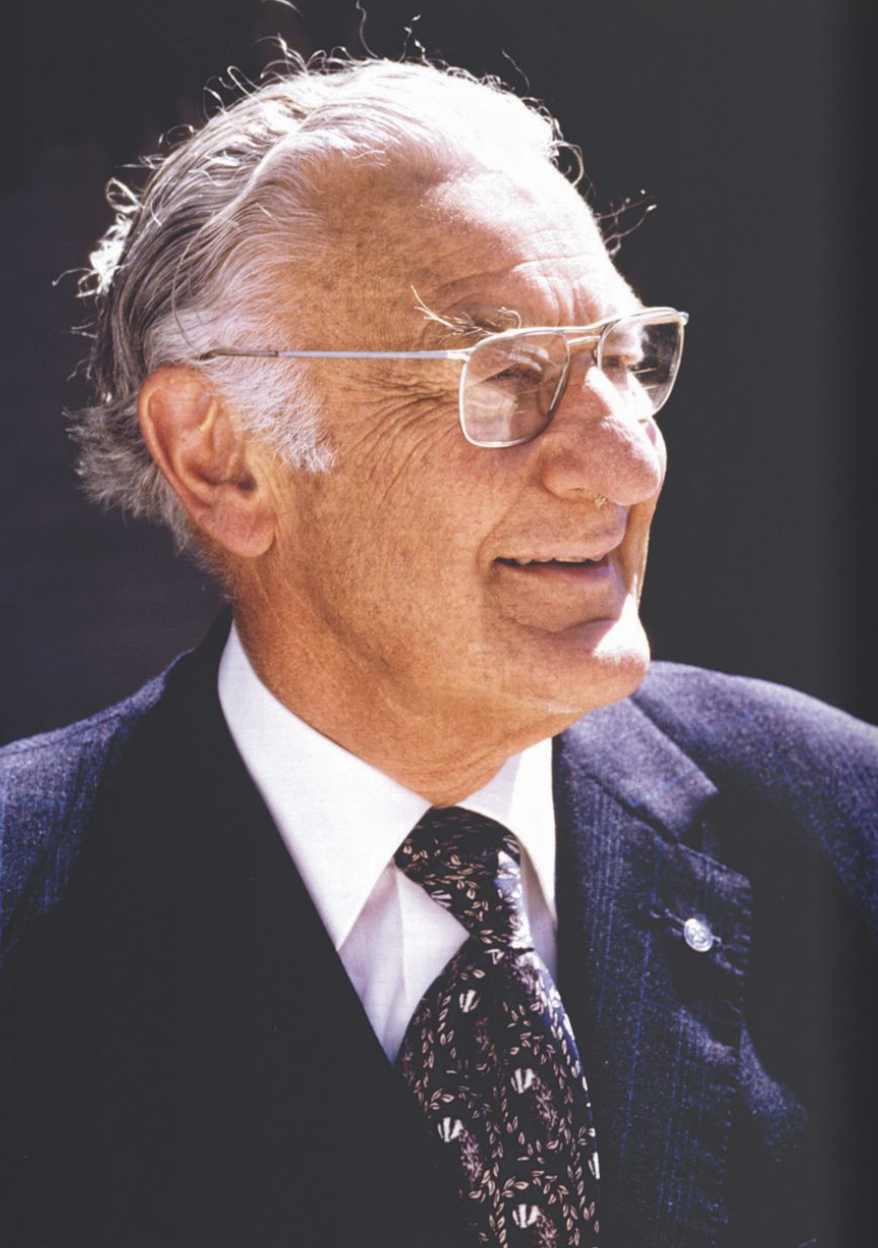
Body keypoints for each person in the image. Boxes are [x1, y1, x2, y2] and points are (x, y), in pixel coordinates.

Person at [1, 55, 876, 1248]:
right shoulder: (32, 907)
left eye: (622, 362)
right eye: (507, 376)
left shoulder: (837, 819)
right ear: (221, 457)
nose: (624, 463)